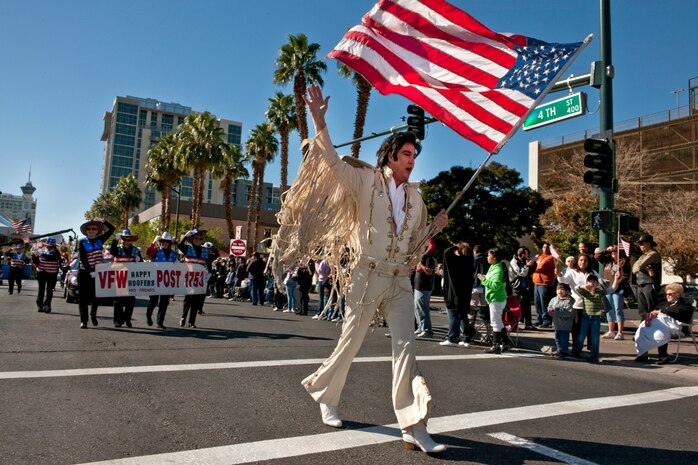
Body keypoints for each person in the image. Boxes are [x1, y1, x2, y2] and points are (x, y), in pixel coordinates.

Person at [299, 85, 448, 454]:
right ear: (391, 155)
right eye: (407, 153)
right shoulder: (366, 181)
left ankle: (413, 424)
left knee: (406, 349)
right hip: (367, 275)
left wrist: (434, 227)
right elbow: (332, 162)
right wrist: (319, 119)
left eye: (415, 154)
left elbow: (413, 244)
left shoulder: (415, 196)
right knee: (350, 342)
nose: (412, 159)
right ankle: (326, 396)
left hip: (400, 279)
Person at [634, 283, 693, 364]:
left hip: (679, 328)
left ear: (678, 295)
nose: (667, 296)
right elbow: (656, 311)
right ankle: (643, 353)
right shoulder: (664, 304)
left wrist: (660, 312)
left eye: (670, 294)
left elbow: (678, 312)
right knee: (643, 328)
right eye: (666, 294)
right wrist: (653, 314)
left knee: (661, 327)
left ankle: (663, 356)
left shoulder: (685, 305)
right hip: (662, 326)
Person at [77, 218, 116, 328]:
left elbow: (112, 229)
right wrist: (90, 271)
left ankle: (93, 315)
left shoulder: (100, 240)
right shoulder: (82, 241)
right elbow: (83, 258)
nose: (91, 230)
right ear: (86, 230)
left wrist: (103, 221)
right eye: (88, 229)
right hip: (84, 272)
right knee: (83, 298)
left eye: (93, 229)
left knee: (95, 297)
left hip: (97, 272)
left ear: (97, 230)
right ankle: (83, 321)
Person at [558, 253, 597, 351]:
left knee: (590, 328)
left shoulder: (592, 272)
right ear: (577, 261)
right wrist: (559, 275)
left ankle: (591, 348)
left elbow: (600, 283)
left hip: (590, 305)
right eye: (581, 260)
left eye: (585, 260)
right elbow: (564, 281)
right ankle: (576, 348)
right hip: (577, 304)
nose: (583, 262)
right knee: (576, 328)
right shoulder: (572, 272)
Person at [440, 242, 474, 347]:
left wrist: (455, 246)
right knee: (463, 315)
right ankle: (466, 338)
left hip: (453, 293)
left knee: (453, 316)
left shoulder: (452, 261)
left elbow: (446, 252)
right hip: (465, 293)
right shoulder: (469, 260)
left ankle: (452, 337)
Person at [478, 248, 508, 354]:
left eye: (489, 255)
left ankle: (495, 346)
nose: (487, 257)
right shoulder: (494, 266)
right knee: (498, 321)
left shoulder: (498, 269)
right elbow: (493, 279)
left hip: (496, 298)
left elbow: (495, 285)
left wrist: (484, 280)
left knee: (495, 322)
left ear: (495, 257)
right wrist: (485, 277)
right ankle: (505, 343)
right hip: (495, 298)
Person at [571, 274, 608, 363]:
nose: (591, 284)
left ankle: (594, 355)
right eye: (590, 282)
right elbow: (576, 288)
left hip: (596, 317)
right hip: (586, 316)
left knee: (595, 337)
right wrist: (583, 286)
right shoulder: (585, 292)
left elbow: (610, 290)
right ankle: (577, 350)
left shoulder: (599, 292)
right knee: (581, 334)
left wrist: (615, 281)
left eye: (594, 282)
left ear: (597, 283)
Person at [111, 229, 143, 328]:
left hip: (131, 277)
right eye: (124, 240)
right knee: (118, 300)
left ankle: (127, 319)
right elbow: (113, 252)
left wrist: (140, 259)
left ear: (131, 240)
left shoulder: (135, 250)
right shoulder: (118, 248)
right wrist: (114, 241)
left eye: (128, 240)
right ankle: (117, 321)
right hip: (119, 277)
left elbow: (141, 262)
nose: (126, 242)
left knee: (131, 300)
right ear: (121, 240)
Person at [145, 232, 178, 329]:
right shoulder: (156, 250)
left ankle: (160, 322)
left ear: (169, 243)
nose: (164, 243)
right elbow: (148, 253)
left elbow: (177, 264)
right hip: (155, 279)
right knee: (153, 301)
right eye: (162, 241)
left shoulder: (172, 253)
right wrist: (153, 242)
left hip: (167, 280)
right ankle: (148, 315)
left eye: (166, 241)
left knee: (164, 302)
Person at [178, 228, 209, 328]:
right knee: (188, 299)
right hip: (189, 278)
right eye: (196, 238)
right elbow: (180, 245)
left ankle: (192, 322)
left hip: (199, 279)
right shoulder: (188, 248)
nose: (198, 240)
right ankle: (183, 317)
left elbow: (209, 261)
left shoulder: (205, 251)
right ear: (192, 239)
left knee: (196, 301)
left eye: (200, 238)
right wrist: (186, 236)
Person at [602, 246, 630, 340]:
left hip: (618, 289)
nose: (613, 253)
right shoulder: (607, 262)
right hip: (608, 288)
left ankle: (620, 332)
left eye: (615, 251)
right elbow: (597, 256)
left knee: (618, 309)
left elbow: (625, 276)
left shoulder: (623, 261)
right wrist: (606, 250)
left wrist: (617, 282)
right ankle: (611, 331)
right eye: (612, 252)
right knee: (609, 309)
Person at [632, 234, 662, 320]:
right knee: (642, 310)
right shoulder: (642, 256)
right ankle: (644, 325)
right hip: (641, 284)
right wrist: (638, 267)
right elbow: (634, 268)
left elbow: (640, 265)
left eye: (642, 243)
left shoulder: (653, 254)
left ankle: (653, 327)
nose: (640, 246)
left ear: (648, 244)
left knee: (651, 308)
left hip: (650, 284)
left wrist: (639, 267)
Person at [413, 238, 437, 338]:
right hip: (419, 286)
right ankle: (421, 327)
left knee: (423, 308)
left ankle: (427, 330)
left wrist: (421, 264)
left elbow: (429, 271)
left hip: (424, 287)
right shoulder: (424, 257)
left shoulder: (428, 258)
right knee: (418, 308)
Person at [531, 243, 556, 328]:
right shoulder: (540, 257)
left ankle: (546, 320)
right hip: (536, 282)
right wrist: (534, 262)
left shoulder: (550, 258)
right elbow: (533, 265)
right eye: (544, 247)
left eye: (547, 247)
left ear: (550, 249)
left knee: (544, 302)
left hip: (544, 283)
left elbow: (540, 267)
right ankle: (539, 319)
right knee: (537, 302)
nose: (545, 249)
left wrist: (533, 262)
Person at [32, 238, 61, 312]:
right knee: (41, 289)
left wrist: (41, 254)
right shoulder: (41, 251)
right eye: (47, 245)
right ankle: (40, 305)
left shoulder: (56, 253)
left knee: (49, 290)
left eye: (50, 246)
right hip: (41, 272)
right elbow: (35, 261)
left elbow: (52, 258)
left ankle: (47, 306)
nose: (48, 247)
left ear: (54, 246)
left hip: (51, 273)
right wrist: (34, 256)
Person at [547, 283, 575, 359]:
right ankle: (559, 349)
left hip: (565, 324)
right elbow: (549, 306)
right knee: (557, 337)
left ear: (566, 291)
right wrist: (550, 311)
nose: (560, 291)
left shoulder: (568, 301)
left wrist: (557, 312)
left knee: (564, 338)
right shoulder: (554, 299)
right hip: (556, 323)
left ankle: (564, 351)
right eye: (558, 289)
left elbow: (568, 312)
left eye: (562, 289)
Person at [509, 247, 534, 330]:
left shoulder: (524, 262)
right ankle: (513, 324)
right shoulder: (514, 262)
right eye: (526, 254)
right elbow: (520, 273)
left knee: (527, 305)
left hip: (524, 287)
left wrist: (530, 265)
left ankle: (528, 324)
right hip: (516, 287)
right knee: (515, 306)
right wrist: (527, 266)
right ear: (522, 254)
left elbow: (528, 273)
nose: (528, 256)